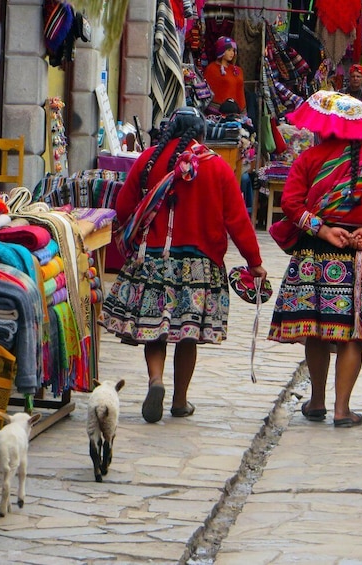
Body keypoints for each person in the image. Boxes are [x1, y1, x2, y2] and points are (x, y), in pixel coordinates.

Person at [99, 106, 266, 423]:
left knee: (154, 329)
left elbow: (122, 208)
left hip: (154, 260)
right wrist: (254, 262)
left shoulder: (149, 160)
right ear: (202, 134)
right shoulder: (217, 167)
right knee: (187, 334)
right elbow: (237, 219)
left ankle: (156, 381)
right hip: (200, 266)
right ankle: (179, 400)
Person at [268, 91, 362, 428]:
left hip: (318, 254)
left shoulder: (309, 159)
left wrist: (323, 230)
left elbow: (292, 206)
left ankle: (318, 402)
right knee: (352, 332)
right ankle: (342, 409)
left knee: (318, 330)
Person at [203, 36, 246, 116]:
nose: (232, 53)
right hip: (218, 113)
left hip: (237, 110)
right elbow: (208, 92)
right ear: (221, 51)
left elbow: (240, 92)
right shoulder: (212, 69)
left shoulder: (237, 70)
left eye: (233, 50)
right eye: (229, 50)